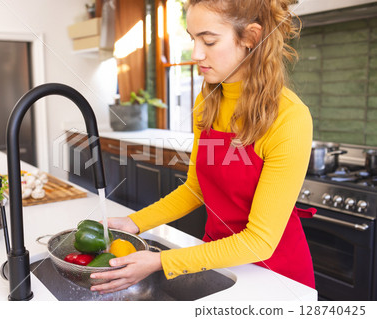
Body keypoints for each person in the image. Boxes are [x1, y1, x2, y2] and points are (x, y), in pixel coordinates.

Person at [90, 0, 316, 294]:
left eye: (209, 40)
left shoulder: (289, 117)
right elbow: (196, 188)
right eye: (193, 38)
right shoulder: (208, 100)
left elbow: (259, 240)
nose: (196, 54)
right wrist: (133, 222)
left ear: (251, 37)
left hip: (275, 278)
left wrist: (160, 261)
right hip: (217, 260)